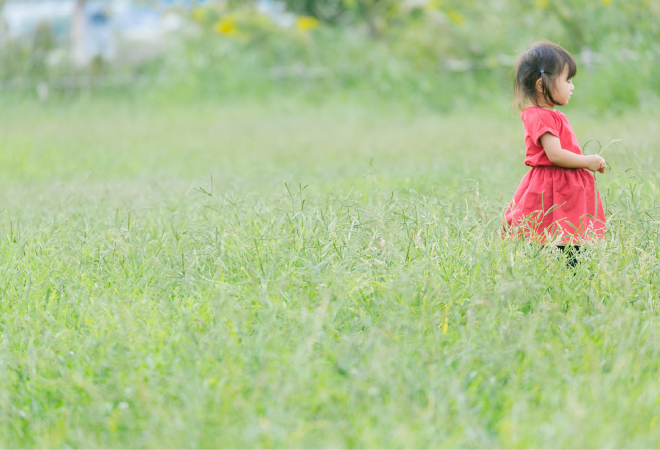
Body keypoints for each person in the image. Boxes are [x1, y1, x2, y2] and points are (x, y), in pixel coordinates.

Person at [504, 42, 606, 267]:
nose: (572, 87)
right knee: (558, 236)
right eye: (567, 80)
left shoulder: (548, 114)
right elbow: (556, 155)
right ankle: (565, 276)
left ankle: (566, 276)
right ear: (542, 85)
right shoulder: (540, 116)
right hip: (553, 185)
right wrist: (588, 160)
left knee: (563, 234)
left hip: (560, 184)